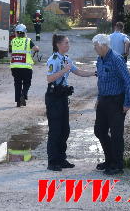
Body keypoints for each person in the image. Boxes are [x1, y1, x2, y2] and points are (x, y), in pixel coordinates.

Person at [45, 34, 95, 171]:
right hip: (53, 97)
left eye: (68, 43)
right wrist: (63, 71)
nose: (68, 45)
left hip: (62, 96)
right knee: (55, 130)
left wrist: (93, 73)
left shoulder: (66, 59)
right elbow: (49, 79)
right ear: (58, 45)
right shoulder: (53, 59)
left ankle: (61, 159)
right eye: (66, 43)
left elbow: (78, 71)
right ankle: (53, 162)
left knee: (64, 130)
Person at [92, 33, 130, 175]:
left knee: (116, 134)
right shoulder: (100, 59)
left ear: (103, 45)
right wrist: (98, 98)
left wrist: (127, 102)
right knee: (99, 131)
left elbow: (128, 81)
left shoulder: (116, 59)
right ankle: (109, 160)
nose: (94, 48)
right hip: (103, 99)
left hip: (116, 101)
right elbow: (101, 80)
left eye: (96, 46)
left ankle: (117, 165)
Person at [10, 24, 39, 107]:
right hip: (26, 67)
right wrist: (37, 48)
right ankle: (23, 95)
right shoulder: (28, 41)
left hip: (15, 67)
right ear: (25, 32)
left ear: (16, 32)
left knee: (17, 83)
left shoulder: (13, 41)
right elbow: (35, 49)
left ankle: (18, 102)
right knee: (27, 83)